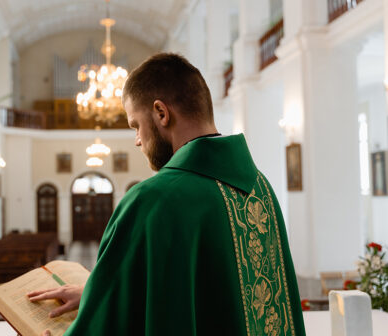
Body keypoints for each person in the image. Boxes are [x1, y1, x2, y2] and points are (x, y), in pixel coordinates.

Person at [27, 53, 306, 336]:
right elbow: (213, 291)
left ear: (161, 113)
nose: (137, 140)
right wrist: (94, 293)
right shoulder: (260, 189)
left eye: (136, 125)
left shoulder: (152, 200)